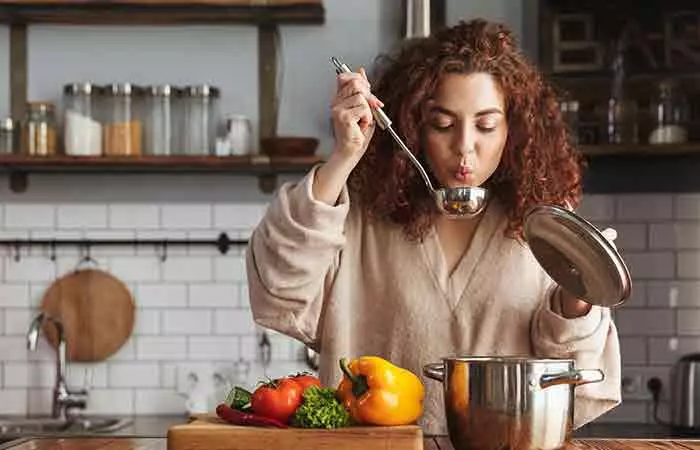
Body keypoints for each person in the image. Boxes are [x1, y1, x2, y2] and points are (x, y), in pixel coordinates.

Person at [245, 18, 621, 434]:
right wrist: (344, 158)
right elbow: (279, 289)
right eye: (442, 124)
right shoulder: (360, 218)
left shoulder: (545, 227)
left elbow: (576, 377)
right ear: (413, 126)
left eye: (486, 125)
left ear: (514, 131)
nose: (464, 146)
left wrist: (578, 294)